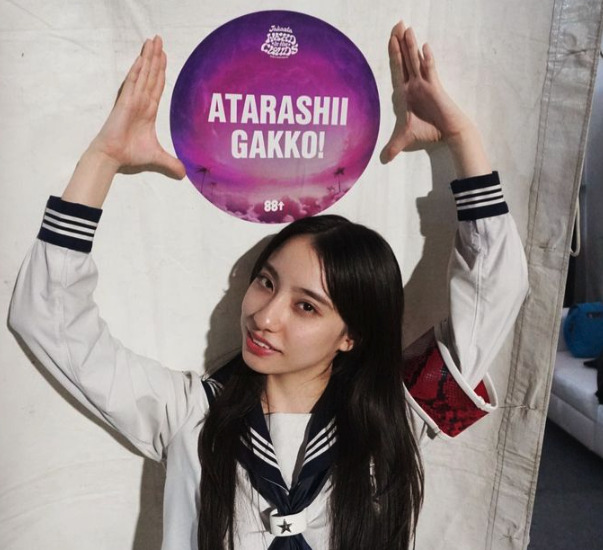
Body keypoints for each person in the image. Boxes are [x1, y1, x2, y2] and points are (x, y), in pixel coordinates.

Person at [9, 21, 528, 550]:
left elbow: (495, 293)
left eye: (307, 307)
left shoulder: (392, 418)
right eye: (266, 281)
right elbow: (48, 319)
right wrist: (103, 159)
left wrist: (462, 138)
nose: (264, 315)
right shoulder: (189, 414)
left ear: (351, 334)